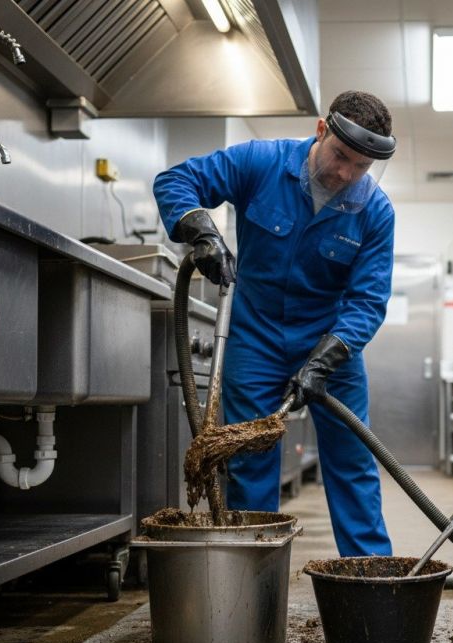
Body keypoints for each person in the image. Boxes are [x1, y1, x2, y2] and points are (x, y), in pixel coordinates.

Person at [153, 90, 396, 557]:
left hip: (331, 344)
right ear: (321, 131)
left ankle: (371, 576)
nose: (347, 174)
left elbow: (368, 299)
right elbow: (176, 180)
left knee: (352, 462)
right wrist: (200, 230)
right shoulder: (261, 162)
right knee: (249, 460)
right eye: (341, 156)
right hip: (256, 338)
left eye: (361, 167)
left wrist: (327, 357)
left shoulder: (376, 212)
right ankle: (252, 581)